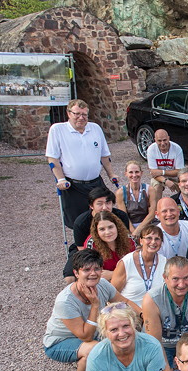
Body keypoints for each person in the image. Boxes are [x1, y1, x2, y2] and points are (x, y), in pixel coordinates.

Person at [43, 249, 136, 371]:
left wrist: (143, 315)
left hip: (91, 333)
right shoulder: (65, 301)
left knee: (124, 336)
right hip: (60, 342)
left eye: (97, 269)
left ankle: (116, 370)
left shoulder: (103, 284)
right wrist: (95, 305)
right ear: (76, 273)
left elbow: (124, 302)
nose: (93, 273)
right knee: (97, 348)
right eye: (86, 270)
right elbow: (85, 336)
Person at [46, 99, 119, 228]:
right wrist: (61, 179)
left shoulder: (95, 128)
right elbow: (53, 159)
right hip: (73, 185)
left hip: (95, 182)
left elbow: (104, 156)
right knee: (78, 222)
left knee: (103, 216)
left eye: (84, 114)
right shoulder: (57, 130)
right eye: (77, 114)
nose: (81, 118)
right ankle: (81, 241)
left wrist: (111, 174)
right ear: (69, 113)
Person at [111, 224, 167, 307]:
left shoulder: (165, 263)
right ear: (141, 241)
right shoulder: (126, 263)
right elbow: (112, 294)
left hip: (156, 310)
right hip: (129, 311)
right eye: (149, 238)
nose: (153, 242)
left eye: (157, 239)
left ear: (161, 243)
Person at [84, 211, 136, 280]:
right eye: (102, 229)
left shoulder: (128, 240)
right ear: (97, 231)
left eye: (110, 227)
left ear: (117, 227)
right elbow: (92, 273)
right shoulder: (91, 244)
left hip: (127, 280)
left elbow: (135, 268)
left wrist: (113, 274)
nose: (107, 232)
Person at [115, 161, 156, 237]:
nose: (134, 175)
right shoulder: (120, 193)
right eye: (131, 172)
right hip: (129, 226)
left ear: (141, 173)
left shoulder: (150, 190)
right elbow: (124, 216)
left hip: (147, 224)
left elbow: (152, 214)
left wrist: (138, 230)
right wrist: (133, 232)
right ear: (126, 174)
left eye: (137, 172)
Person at [147, 129, 184, 198]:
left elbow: (180, 171)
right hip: (159, 177)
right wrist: (165, 181)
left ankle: (183, 203)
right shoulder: (151, 149)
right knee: (156, 187)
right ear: (155, 140)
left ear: (168, 138)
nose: (162, 143)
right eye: (159, 141)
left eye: (164, 140)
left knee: (185, 186)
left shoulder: (177, 148)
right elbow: (153, 173)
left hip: (175, 176)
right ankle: (157, 204)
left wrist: (162, 172)